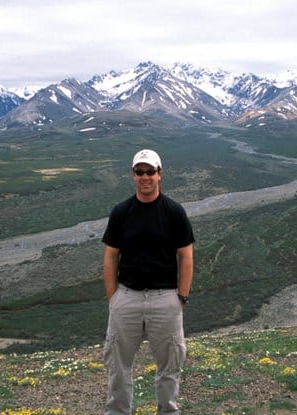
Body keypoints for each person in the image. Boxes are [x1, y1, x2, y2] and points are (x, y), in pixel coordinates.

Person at [102, 149, 195, 415]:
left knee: (170, 366)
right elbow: (110, 256)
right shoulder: (121, 213)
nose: (145, 177)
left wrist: (182, 296)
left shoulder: (174, 212)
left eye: (150, 172)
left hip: (165, 298)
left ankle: (168, 411)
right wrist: (114, 297)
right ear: (133, 175)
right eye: (139, 172)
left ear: (159, 174)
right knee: (118, 366)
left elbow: (186, 255)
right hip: (126, 297)